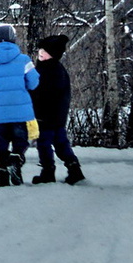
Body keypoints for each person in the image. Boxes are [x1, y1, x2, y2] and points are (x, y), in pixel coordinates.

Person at [0, 24, 40, 187]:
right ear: (13, 39)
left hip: (0, 114)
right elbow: (34, 82)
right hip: (20, 112)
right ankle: (16, 159)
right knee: (20, 141)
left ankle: (1, 171)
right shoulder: (24, 60)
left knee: (0, 143)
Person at [30, 34, 85, 185]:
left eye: (45, 51)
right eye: (40, 50)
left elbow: (41, 93)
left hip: (46, 116)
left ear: (53, 54)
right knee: (61, 144)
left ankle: (48, 171)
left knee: (44, 144)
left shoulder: (49, 71)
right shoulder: (55, 69)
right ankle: (74, 168)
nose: (40, 53)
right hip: (57, 116)